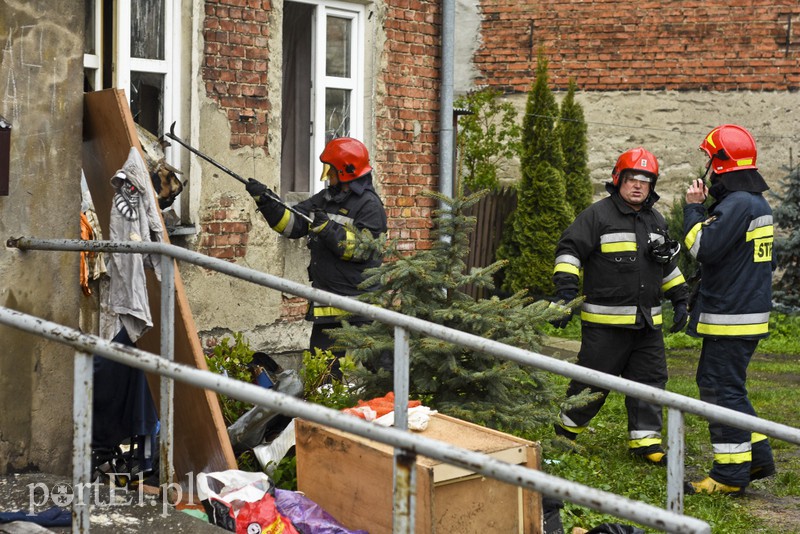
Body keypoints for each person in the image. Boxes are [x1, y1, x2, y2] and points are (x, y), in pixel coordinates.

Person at [551, 147, 689, 466]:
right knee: (592, 383)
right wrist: (566, 293)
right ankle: (564, 434)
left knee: (650, 382)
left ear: (652, 186)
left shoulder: (656, 221)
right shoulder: (597, 216)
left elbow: (666, 266)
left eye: (645, 180)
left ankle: (646, 443)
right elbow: (569, 251)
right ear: (618, 180)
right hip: (605, 327)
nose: (638, 185)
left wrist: (681, 298)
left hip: (647, 326)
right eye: (632, 179)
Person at [682, 124, 775, 495]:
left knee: (719, 389)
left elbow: (702, 248)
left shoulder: (737, 204)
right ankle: (757, 456)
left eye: (709, 158)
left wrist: (693, 209)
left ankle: (729, 475)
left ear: (720, 164)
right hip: (745, 311)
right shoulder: (755, 202)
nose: (706, 166)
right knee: (728, 387)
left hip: (730, 315)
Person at [246, 137, 388, 377]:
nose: (328, 175)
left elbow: (363, 250)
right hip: (328, 305)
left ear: (345, 171)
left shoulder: (370, 205)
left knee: (383, 373)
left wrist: (328, 230)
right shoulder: (325, 199)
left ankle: (396, 401)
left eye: (331, 170)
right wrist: (267, 200)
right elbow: (291, 225)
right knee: (322, 375)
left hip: (361, 307)